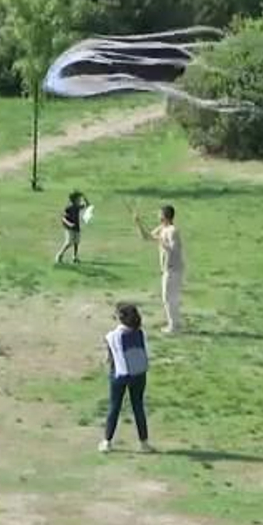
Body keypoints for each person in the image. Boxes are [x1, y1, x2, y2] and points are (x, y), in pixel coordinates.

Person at [100, 302, 154, 454]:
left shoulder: (113, 336)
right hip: (139, 374)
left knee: (114, 407)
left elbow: (110, 358)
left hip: (120, 375)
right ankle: (144, 442)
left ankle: (107, 441)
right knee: (138, 407)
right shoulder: (140, 333)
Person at [134, 205, 185, 334]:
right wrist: (138, 223)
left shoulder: (173, 231)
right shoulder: (162, 228)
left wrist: (161, 240)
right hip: (167, 269)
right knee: (169, 297)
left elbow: (174, 248)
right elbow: (146, 237)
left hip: (174, 269)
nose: (158, 216)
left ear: (165, 215)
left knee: (168, 298)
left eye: (160, 214)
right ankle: (174, 323)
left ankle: (173, 326)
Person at [56, 192, 88, 266]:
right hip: (69, 228)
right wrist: (69, 224)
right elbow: (63, 218)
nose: (79, 200)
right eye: (78, 199)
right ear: (74, 200)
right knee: (69, 242)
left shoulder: (77, 207)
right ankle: (59, 255)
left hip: (76, 227)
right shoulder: (69, 208)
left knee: (76, 242)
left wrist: (84, 197)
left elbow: (86, 205)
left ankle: (75, 257)